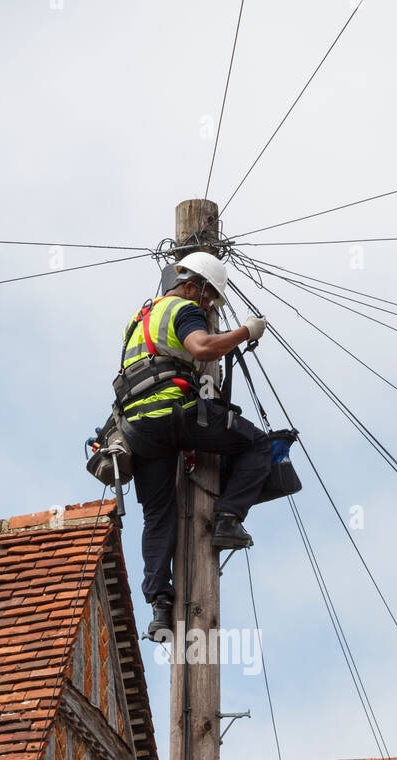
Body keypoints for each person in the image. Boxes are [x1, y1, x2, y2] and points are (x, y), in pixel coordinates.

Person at [115, 251, 271, 640]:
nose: (207, 307)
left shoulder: (139, 320)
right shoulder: (184, 310)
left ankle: (159, 606)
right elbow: (202, 348)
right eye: (207, 298)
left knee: (158, 515)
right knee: (260, 446)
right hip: (174, 413)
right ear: (192, 285)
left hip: (137, 430)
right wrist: (245, 333)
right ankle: (228, 518)